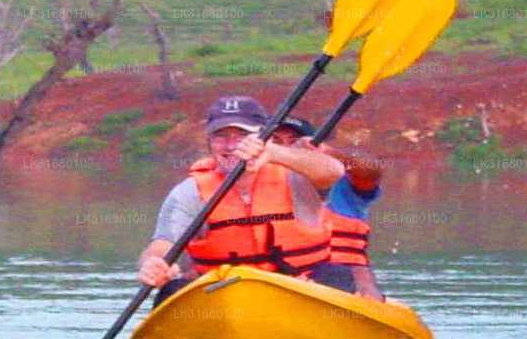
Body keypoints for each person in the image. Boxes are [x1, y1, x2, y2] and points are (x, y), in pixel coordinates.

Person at [139, 96, 355, 305]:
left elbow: (333, 171)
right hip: (225, 294)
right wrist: (152, 263)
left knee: (337, 274)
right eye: (220, 136)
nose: (231, 145)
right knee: (172, 290)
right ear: (209, 142)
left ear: (265, 137)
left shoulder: (295, 175)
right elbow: (163, 243)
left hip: (301, 286)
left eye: (242, 135)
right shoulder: (190, 192)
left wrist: (274, 152)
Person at [270, 116, 386, 301]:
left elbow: (372, 171)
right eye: (276, 140)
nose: (285, 148)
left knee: (360, 286)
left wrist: (329, 153)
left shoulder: (342, 181)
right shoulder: (245, 182)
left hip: (346, 271)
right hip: (279, 274)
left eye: (294, 141)